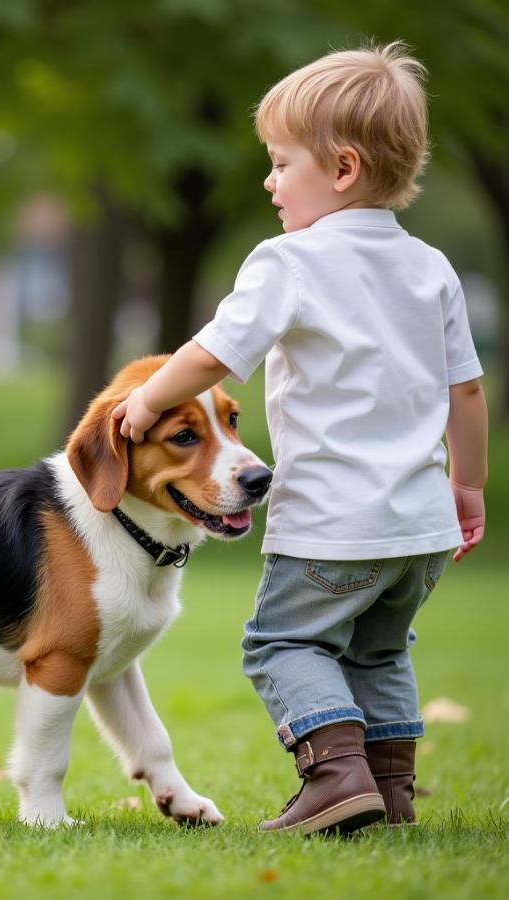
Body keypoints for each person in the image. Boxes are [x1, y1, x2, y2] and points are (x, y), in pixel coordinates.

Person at [112, 42, 488, 835]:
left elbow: (215, 355)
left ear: (342, 168)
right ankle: (387, 790)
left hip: (332, 521)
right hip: (417, 528)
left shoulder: (291, 260)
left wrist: (146, 401)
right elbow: (469, 390)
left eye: (281, 164)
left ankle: (334, 773)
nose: (269, 181)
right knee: (380, 654)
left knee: (282, 642)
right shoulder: (432, 269)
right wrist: (469, 486)